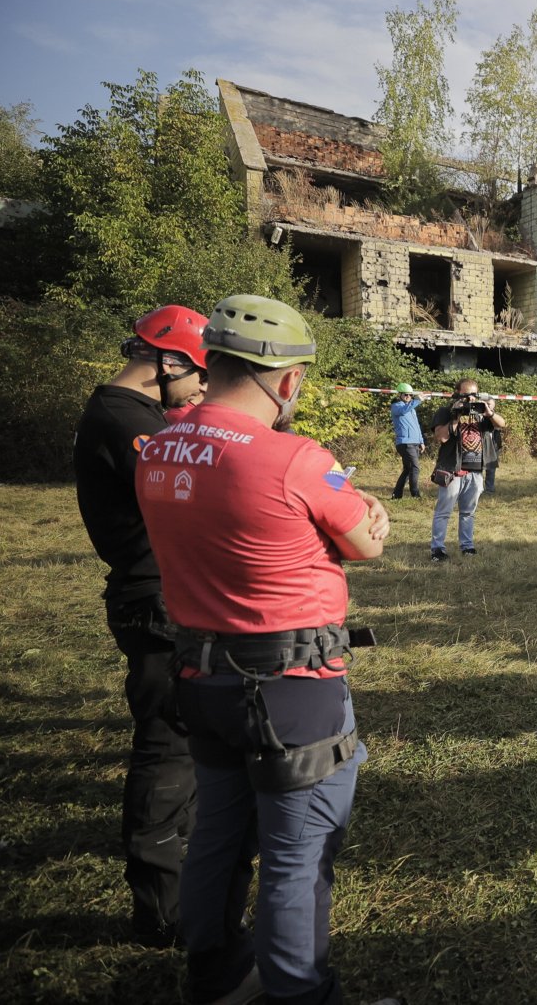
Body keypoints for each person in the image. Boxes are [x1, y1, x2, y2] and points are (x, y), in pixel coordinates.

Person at [136, 294, 386, 1004]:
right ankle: (299, 995)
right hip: (293, 689)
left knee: (217, 829)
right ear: (285, 379)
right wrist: (374, 512)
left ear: (209, 364)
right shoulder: (296, 458)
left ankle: (215, 976)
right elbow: (363, 540)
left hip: (200, 674)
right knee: (297, 855)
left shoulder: (157, 447)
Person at [74, 304, 209, 948]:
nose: (203, 388)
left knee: (181, 736)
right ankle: (160, 909)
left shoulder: (135, 415)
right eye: (200, 375)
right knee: (167, 745)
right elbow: (185, 491)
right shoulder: (123, 418)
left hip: (159, 591)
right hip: (152, 597)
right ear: (169, 361)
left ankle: (176, 865)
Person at [430, 378, 504, 560]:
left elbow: (501, 424)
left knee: (468, 512)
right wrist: (455, 417)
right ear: (457, 393)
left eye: (473, 395)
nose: (470, 399)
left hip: (476, 470)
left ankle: (467, 546)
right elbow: (441, 437)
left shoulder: (480, 412)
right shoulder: (445, 412)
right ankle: (437, 549)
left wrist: (489, 413)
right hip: (452, 470)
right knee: (443, 511)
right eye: (466, 395)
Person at [388, 383, 424, 500]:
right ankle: (415, 495)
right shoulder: (396, 406)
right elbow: (404, 410)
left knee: (408, 470)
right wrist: (417, 400)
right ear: (399, 395)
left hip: (414, 442)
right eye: (405, 395)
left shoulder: (411, 408)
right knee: (415, 468)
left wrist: (421, 441)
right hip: (405, 442)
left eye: (410, 395)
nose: (408, 396)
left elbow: (416, 426)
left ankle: (396, 495)